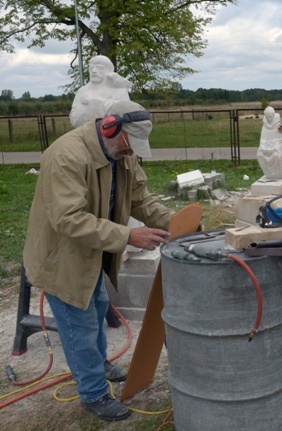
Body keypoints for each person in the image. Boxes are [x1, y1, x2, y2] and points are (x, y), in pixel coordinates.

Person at [23, 100, 173, 421]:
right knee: (80, 323)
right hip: (61, 258)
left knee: (99, 306)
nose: (133, 152)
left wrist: (176, 223)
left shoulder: (122, 155)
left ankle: (99, 363)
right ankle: (93, 393)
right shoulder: (67, 156)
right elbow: (68, 219)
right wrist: (128, 236)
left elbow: (141, 199)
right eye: (129, 144)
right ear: (109, 127)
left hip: (90, 252)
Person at [69, 55, 131, 128]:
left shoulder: (119, 90)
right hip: (86, 134)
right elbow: (74, 119)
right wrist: (104, 107)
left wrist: (92, 101)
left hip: (113, 136)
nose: (94, 71)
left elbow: (121, 115)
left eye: (100, 68)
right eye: (91, 68)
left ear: (109, 70)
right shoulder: (83, 90)